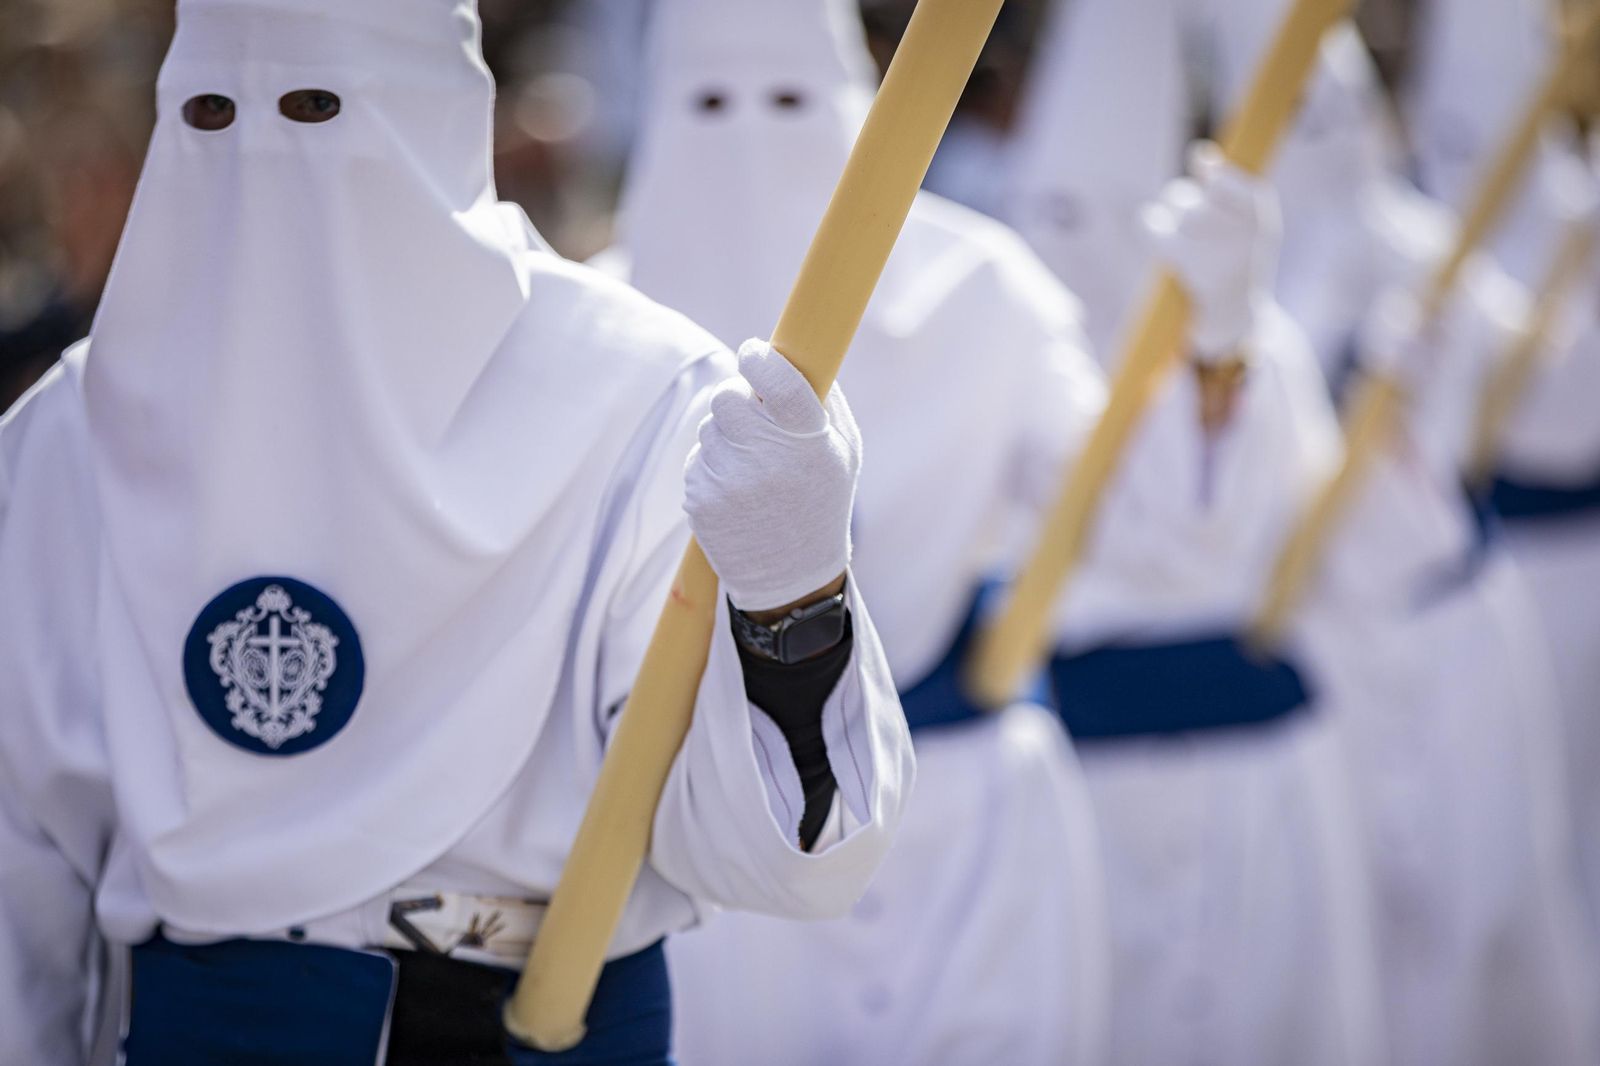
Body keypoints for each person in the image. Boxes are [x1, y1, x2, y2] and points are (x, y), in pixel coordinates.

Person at [0, 1, 916, 1062]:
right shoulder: (75, 431)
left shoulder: (639, 396)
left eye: (315, 107)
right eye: (214, 111)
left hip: (542, 1020)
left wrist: (791, 595)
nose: (266, 155)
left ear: (436, 116)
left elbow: (791, 861)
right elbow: (24, 859)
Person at [599, 0, 1113, 1062]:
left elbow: (1112, 499)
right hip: (702, 847)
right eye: (709, 105)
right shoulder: (601, 328)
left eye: (787, 102)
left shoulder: (984, 286)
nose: (751, 146)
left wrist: (1213, 357)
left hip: (969, 818)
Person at [1008, 2, 1386, 1063]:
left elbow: (1242, 515)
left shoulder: (1257, 350)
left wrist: (1220, 344)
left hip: (1252, 773)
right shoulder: (994, 346)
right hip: (1073, 778)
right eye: (1057, 214)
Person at [1260, 22, 1600, 1064]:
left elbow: (1539, 374)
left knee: (1482, 895)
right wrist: (1331, 370)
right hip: (1326, 646)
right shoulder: (1250, 283)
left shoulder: (1418, 243)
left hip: (1452, 619)